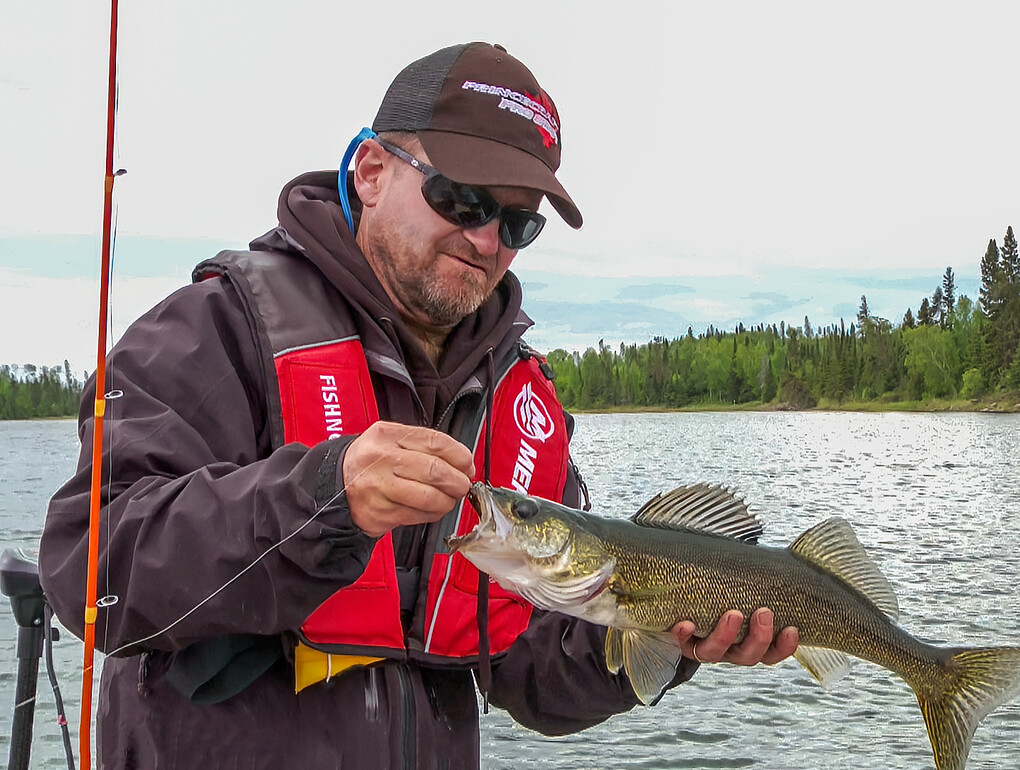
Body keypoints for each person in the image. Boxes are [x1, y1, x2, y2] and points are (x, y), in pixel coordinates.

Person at [39, 42, 798, 768]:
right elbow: (90, 569)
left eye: (516, 222)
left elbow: (532, 672)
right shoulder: (214, 329)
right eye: (461, 199)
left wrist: (663, 636)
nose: (486, 240)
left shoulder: (517, 396)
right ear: (371, 171)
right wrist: (321, 498)